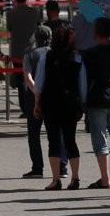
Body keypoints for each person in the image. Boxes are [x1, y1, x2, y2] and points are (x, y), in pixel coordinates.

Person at [34, 23, 87, 190]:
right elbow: (82, 84)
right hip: (70, 103)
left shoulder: (47, 57)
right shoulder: (77, 58)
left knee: (53, 140)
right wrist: (81, 103)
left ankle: (56, 179)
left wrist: (37, 103)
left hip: (50, 102)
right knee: (70, 140)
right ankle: (75, 178)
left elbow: (39, 83)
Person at [82, 17, 110, 188]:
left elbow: (85, 79)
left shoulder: (90, 54)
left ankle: (105, 178)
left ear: (96, 34)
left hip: (96, 99)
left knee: (100, 140)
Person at [22, 25, 68, 179]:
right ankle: (62, 167)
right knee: (56, 133)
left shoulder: (30, 54)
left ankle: (37, 168)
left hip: (34, 97)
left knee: (34, 135)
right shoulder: (55, 53)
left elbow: (28, 77)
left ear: (36, 38)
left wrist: (37, 92)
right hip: (54, 97)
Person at [6, 0, 42, 120]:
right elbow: (39, 27)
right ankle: (34, 104)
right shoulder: (35, 12)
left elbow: (9, 28)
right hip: (33, 49)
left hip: (17, 51)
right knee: (34, 79)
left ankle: (24, 108)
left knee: (21, 81)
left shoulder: (10, 13)